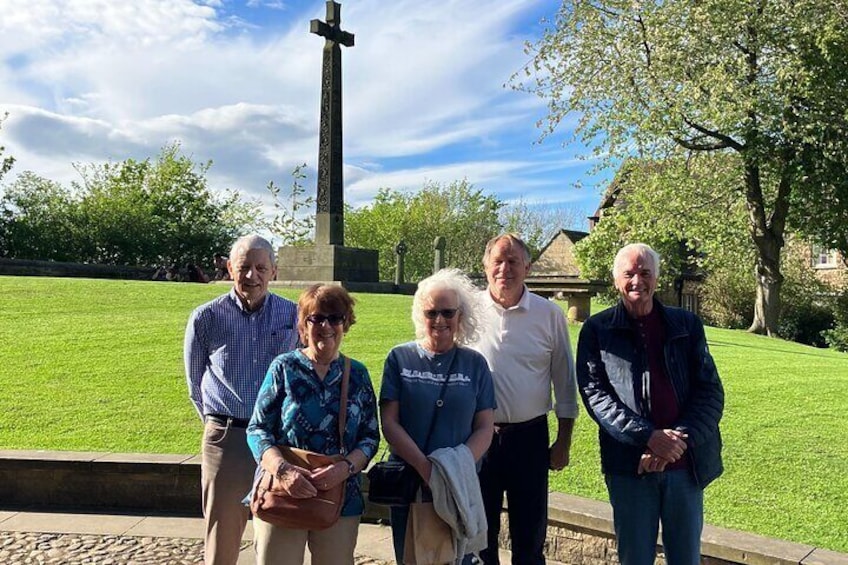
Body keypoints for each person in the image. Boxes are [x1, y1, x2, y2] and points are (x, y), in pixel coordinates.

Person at [575, 243, 724, 565]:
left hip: (685, 467)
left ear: (656, 277)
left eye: (645, 273)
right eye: (628, 273)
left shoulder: (686, 325)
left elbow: (710, 392)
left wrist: (677, 440)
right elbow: (595, 395)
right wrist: (648, 436)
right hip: (630, 467)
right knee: (635, 558)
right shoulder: (597, 330)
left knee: (685, 558)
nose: (636, 281)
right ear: (616, 279)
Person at [184, 234, 299, 565]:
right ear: (229, 269)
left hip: (278, 440)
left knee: (277, 538)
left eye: (261, 268)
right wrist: (216, 426)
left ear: (274, 271)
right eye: (244, 267)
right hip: (228, 438)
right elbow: (195, 382)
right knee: (222, 538)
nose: (252, 276)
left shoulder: (292, 315)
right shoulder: (206, 317)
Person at [246, 284, 380, 565]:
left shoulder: (356, 374)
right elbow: (258, 429)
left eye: (335, 318)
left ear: (346, 323)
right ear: (304, 325)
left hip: (340, 495)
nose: (326, 326)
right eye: (316, 318)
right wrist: (283, 471)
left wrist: (344, 469)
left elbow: (370, 437)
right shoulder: (284, 367)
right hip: (283, 491)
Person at [470, 233, 579, 565]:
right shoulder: (467, 310)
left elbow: (564, 379)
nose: (505, 268)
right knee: (478, 535)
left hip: (530, 437)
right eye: (498, 261)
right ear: (486, 266)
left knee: (530, 535)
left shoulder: (549, 314)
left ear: (527, 267)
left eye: (513, 261)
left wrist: (564, 441)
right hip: (477, 437)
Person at [380, 268, 496, 564]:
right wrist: (426, 469)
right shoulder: (399, 358)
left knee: (458, 558)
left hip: (459, 485)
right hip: (411, 484)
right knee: (412, 558)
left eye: (448, 312)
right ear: (421, 314)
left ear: (461, 316)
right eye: (432, 312)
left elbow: (485, 426)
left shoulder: (475, 364)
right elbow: (390, 422)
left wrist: (454, 469)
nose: (440, 320)